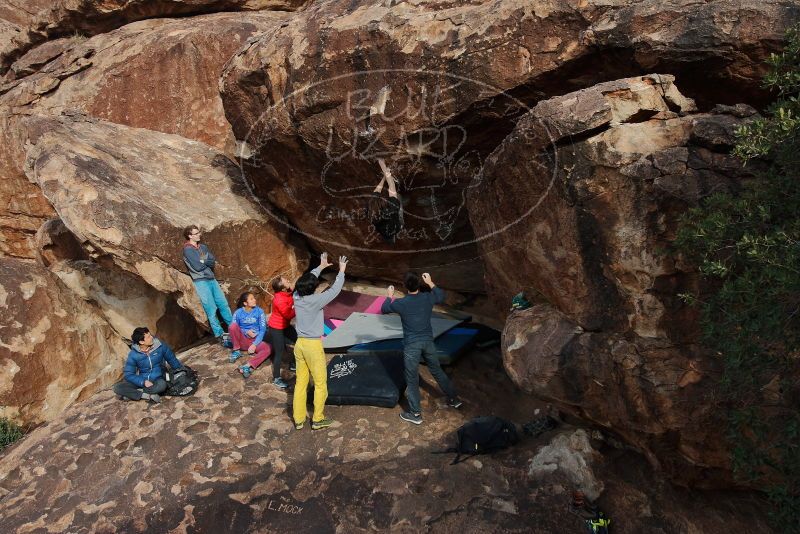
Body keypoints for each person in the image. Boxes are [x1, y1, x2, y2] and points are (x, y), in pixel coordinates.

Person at [381, 271, 462, 425]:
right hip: (428, 342)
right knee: (437, 370)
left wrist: (389, 295)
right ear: (419, 284)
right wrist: (430, 282)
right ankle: (454, 399)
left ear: (404, 286)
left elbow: (384, 309)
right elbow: (440, 295)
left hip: (412, 345)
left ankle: (416, 414)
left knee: (411, 379)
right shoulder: (427, 297)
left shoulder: (401, 303)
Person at [292, 253, 348, 430]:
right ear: (313, 288)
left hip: (299, 344)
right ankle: (317, 419)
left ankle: (299, 419)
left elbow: (306, 280)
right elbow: (335, 290)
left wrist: (321, 266)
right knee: (320, 383)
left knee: (300, 383)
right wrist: (342, 271)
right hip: (313, 346)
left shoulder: (296, 296)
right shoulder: (315, 300)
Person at [182, 225, 233, 341]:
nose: (199, 234)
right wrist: (204, 260)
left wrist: (203, 260)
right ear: (190, 236)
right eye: (196, 233)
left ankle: (234, 328)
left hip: (212, 279)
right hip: (201, 282)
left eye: (198, 232)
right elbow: (198, 266)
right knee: (211, 309)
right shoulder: (187, 249)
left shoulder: (203, 247)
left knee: (223, 304)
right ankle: (220, 335)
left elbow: (212, 261)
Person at [113, 327, 184, 403]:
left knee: (162, 386)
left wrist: (181, 370)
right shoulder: (133, 355)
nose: (152, 338)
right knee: (117, 387)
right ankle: (145, 395)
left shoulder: (160, 346)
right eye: (148, 337)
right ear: (141, 342)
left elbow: (171, 359)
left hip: (158, 379)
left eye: (150, 335)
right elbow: (128, 374)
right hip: (142, 380)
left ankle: (135, 394)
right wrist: (143, 382)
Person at [229, 292, 272, 379]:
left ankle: (247, 366)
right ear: (245, 303)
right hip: (243, 341)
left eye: (254, 298)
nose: (254, 300)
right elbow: (233, 327)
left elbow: (262, 329)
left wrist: (254, 344)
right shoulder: (238, 312)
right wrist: (245, 331)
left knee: (268, 348)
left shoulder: (260, 311)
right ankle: (236, 351)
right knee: (232, 326)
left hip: (255, 340)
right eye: (251, 299)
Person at [266, 276, 299, 389]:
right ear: (281, 286)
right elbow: (288, 315)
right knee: (279, 351)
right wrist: (299, 307)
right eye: (285, 280)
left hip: (285, 325)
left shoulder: (286, 293)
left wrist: (291, 289)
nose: (288, 280)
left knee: (299, 340)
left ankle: (293, 364)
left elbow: (291, 293)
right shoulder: (279, 299)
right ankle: (276, 378)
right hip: (276, 327)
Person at [367, 158, 403, 243]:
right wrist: (383, 169)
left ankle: (400, 195)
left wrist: (385, 172)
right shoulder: (371, 210)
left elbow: (391, 186)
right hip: (392, 221)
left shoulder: (392, 207)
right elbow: (379, 190)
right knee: (396, 198)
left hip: (394, 222)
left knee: (397, 197)